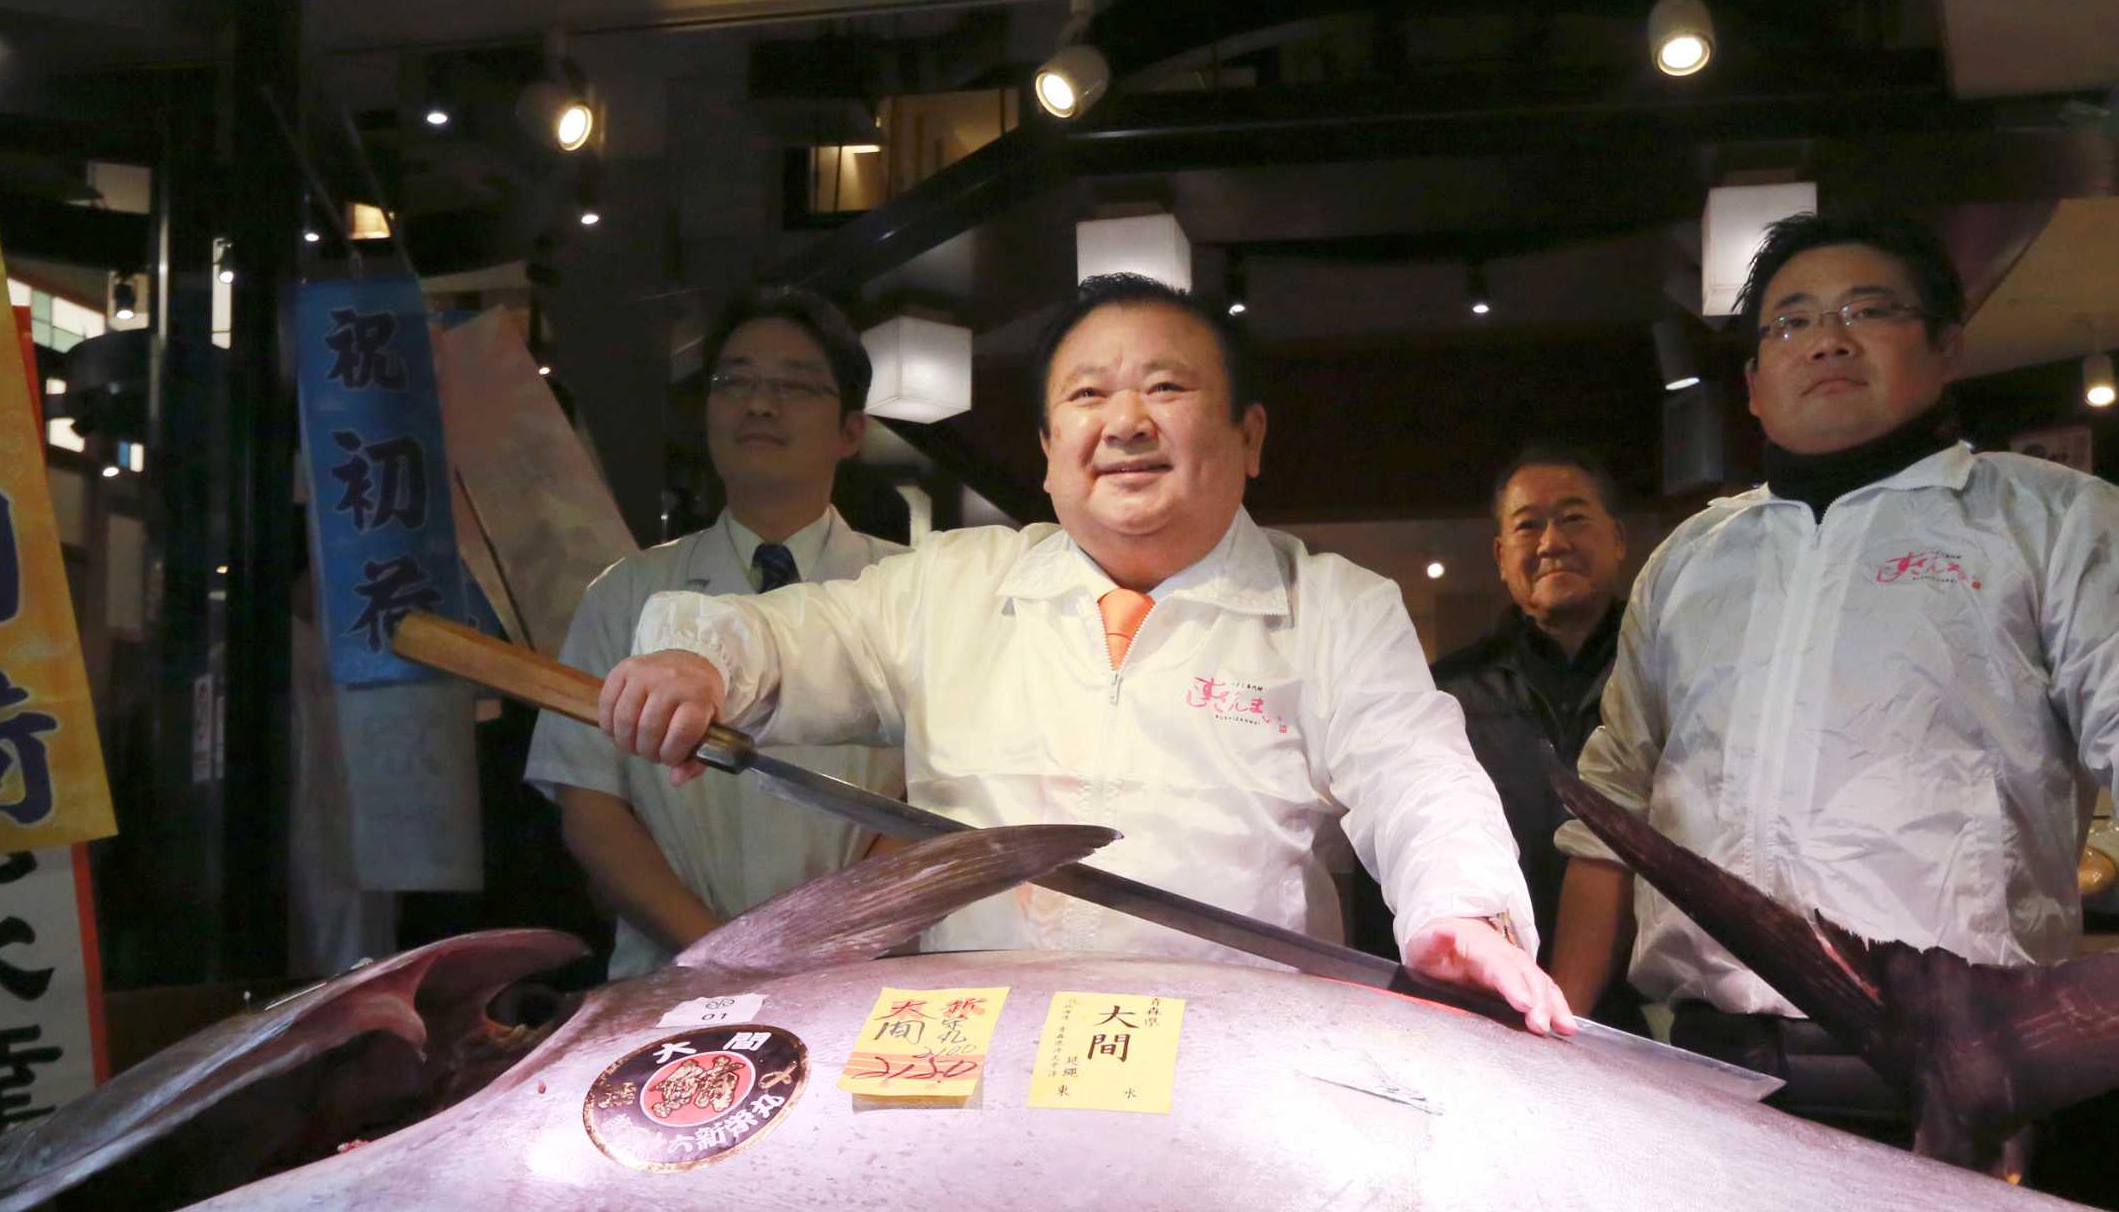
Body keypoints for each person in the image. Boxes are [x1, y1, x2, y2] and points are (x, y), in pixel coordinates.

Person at [1548, 209, 2119, 1124]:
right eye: (1792, 321)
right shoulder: (1689, 560)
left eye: (1868, 310)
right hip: (1706, 1070)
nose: (1827, 341)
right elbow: (1611, 810)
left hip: (1947, 1071)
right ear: (1753, 381)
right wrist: (1561, 1027)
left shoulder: (2052, 517)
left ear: (1948, 346)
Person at [595, 273, 1571, 1031]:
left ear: (1250, 435)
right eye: (1089, 394)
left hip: (1234, 1054)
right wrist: (703, 660)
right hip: (970, 1051)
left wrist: (1461, 916)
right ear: (1050, 450)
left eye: (1167, 387)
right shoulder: (953, 583)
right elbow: (801, 634)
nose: (1126, 422)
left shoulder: (1333, 607)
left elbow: (1416, 773)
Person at [524, 287, 906, 977]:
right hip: (671, 974)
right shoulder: (625, 593)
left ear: (852, 429)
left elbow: (934, 798)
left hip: (861, 973)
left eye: (795, 384)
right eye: (737, 381)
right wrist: (721, 953)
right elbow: (590, 805)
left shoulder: (910, 586)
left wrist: (831, 944)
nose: (761, 403)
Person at [1430, 442, 1639, 1024]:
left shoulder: (1668, 678)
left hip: (1652, 1010)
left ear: (1618, 537)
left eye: (1574, 518)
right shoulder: (1449, 692)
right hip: (1484, 1001)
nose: (1552, 543)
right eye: (1529, 526)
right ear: (1501, 555)